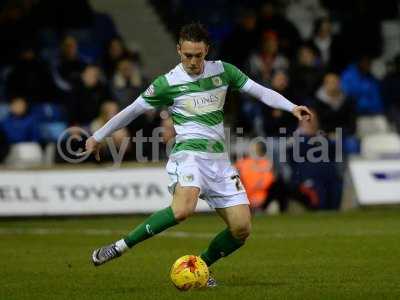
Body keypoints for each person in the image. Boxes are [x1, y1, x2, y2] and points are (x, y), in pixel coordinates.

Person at [79, 23, 311, 287]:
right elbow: (132, 110)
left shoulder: (223, 71)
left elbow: (259, 90)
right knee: (182, 210)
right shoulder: (167, 83)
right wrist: (98, 136)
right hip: (189, 155)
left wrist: (291, 107)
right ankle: (119, 246)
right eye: (187, 55)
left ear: (206, 51)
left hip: (219, 162)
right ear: (179, 50)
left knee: (241, 229)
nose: (192, 61)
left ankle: (200, 266)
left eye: (198, 55)